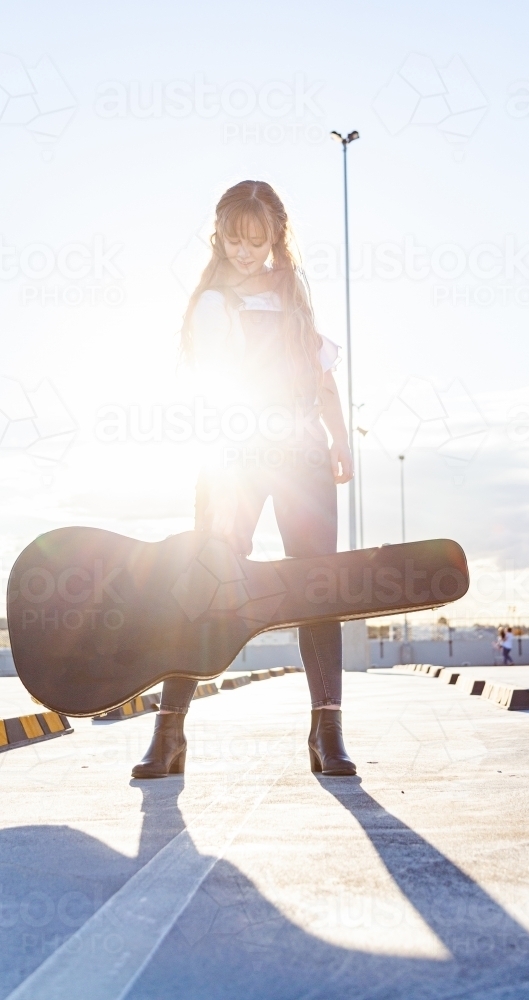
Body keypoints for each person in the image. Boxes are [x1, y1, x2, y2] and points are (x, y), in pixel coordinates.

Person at [132, 180, 356, 779]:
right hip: (237, 451)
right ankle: (170, 731)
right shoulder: (212, 301)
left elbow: (323, 378)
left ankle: (327, 729)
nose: (244, 249)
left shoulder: (294, 296)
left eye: (256, 238)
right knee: (205, 577)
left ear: (276, 237)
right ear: (220, 234)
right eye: (233, 236)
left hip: (302, 452)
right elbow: (214, 382)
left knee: (318, 584)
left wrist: (339, 439)